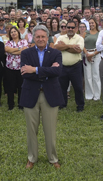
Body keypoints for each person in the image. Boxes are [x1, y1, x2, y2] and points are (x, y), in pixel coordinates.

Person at [20, 24, 63, 170]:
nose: (40, 39)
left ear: (47, 37)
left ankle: (53, 158)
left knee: (50, 129)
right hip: (30, 93)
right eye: (37, 36)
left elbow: (57, 72)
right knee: (31, 130)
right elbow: (25, 73)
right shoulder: (26, 53)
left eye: (43, 36)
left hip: (50, 94)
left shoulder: (56, 53)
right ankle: (32, 158)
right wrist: (47, 71)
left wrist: (35, 69)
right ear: (33, 37)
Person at [54, 21, 85, 112]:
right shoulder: (61, 37)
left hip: (76, 66)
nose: (70, 29)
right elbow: (56, 48)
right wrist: (70, 46)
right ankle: (62, 104)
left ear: (76, 28)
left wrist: (64, 47)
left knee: (78, 87)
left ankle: (80, 105)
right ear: (66, 28)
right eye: (68, 27)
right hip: (63, 66)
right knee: (62, 87)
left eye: (72, 27)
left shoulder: (79, 38)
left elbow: (78, 50)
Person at [5, 26, 29, 110]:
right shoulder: (8, 42)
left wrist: (13, 50)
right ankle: (10, 104)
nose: (13, 33)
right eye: (11, 32)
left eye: (15, 31)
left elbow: (24, 51)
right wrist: (19, 49)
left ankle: (21, 104)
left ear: (18, 32)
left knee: (21, 86)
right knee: (10, 87)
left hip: (21, 68)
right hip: (10, 68)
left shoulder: (24, 41)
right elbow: (7, 50)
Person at [83, 18, 101, 101]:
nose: (91, 24)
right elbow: (81, 43)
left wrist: (92, 54)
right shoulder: (86, 33)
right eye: (89, 23)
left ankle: (97, 95)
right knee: (88, 75)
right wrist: (87, 53)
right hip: (87, 54)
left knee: (96, 75)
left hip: (96, 54)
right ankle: (89, 94)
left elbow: (101, 47)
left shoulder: (100, 33)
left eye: (92, 23)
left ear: (95, 23)